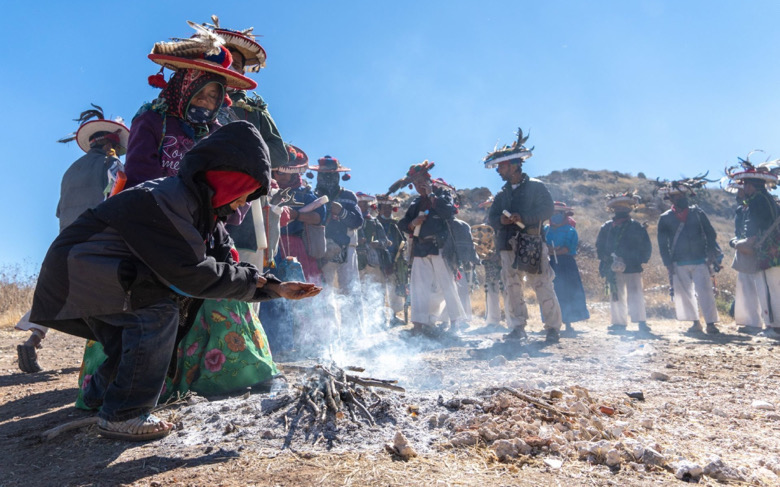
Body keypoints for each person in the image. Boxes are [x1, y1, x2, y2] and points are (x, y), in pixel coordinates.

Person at [28, 121, 320, 441]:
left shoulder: (204, 215)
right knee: (157, 314)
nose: (242, 204)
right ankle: (123, 414)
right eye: (243, 193)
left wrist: (274, 286)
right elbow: (193, 273)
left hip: (89, 272)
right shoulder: (170, 198)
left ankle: (101, 397)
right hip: (84, 270)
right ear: (226, 178)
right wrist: (267, 288)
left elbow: (224, 263)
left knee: (129, 340)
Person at [16, 106, 129, 374]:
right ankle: (108, 361)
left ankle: (33, 339)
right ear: (111, 145)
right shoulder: (111, 165)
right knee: (109, 299)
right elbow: (119, 195)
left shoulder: (70, 171)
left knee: (57, 294)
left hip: (65, 242)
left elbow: (59, 210)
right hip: (99, 240)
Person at [486, 129, 562, 343]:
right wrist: (502, 221)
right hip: (507, 246)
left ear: (514, 165)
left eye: (502, 166)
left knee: (542, 283)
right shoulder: (501, 194)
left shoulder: (537, 187)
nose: (499, 170)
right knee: (511, 286)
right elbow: (492, 217)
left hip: (533, 242)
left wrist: (525, 217)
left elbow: (547, 210)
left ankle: (553, 328)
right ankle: (518, 327)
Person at [395, 161, 466, 337]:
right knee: (418, 287)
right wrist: (412, 223)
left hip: (440, 246)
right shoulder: (416, 202)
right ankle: (418, 325)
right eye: (415, 183)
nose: (418, 187)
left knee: (447, 285)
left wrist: (432, 196)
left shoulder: (442, 194)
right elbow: (402, 223)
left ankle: (455, 323)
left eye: (421, 182)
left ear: (428, 179)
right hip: (420, 248)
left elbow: (448, 212)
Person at [656, 176, 723, 334]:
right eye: (676, 196)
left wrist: (710, 254)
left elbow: (710, 234)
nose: (679, 198)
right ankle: (695, 323)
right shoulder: (665, 218)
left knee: (705, 291)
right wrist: (668, 263)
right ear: (670, 198)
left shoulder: (698, 213)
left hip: (701, 260)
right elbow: (662, 244)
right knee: (685, 294)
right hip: (678, 262)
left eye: (681, 196)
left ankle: (711, 323)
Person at [308, 155, 364, 340]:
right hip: (322, 249)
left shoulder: (348, 196)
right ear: (317, 176)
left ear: (339, 176)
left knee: (349, 289)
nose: (327, 179)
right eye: (323, 175)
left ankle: (353, 334)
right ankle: (329, 334)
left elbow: (357, 221)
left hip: (347, 248)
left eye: (332, 174)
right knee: (325, 291)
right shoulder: (312, 195)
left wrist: (342, 212)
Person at [727, 158, 780, 336]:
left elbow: (752, 228)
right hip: (775, 249)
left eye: (746, 184)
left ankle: (772, 327)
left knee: (765, 288)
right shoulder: (769, 199)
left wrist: (743, 242)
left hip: (766, 251)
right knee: (775, 288)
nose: (744, 188)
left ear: (751, 186)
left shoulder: (756, 201)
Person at [595, 192, 652, 333]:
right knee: (616, 295)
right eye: (618, 208)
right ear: (614, 210)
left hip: (632, 266)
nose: (621, 210)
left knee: (636, 293)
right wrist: (605, 260)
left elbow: (646, 247)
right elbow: (599, 246)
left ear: (629, 209)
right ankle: (618, 323)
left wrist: (636, 260)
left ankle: (641, 322)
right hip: (611, 267)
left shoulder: (637, 227)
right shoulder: (606, 227)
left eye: (624, 208)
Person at [544, 201, 590, 334]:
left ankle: (569, 322)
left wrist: (554, 251)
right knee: (551, 291)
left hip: (566, 264)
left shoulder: (570, 231)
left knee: (567, 291)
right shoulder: (545, 230)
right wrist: (549, 250)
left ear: (563, 214)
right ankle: (551, 322)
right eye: (552, 213)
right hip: (549, 263)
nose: (554, 216)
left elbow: (568, 248)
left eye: (557, 213)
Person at [356, 192, 393, 328]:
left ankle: (380, 321)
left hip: (374, 261)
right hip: (357, 262)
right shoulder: (350, 221)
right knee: (360, 294)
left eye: (364, 204)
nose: (362, 206)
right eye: (360, 204)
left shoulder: (374, 221)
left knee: (378, 292)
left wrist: (377, 243)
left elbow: (386, 241)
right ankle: (362, 324)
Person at [376, 194, 407, 326]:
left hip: (394, 260)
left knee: (395, 288)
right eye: (384, 208)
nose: (387, 211)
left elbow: (402, 242)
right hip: (378, 261)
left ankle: (394, 316)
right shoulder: (374, 223)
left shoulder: (396, 225)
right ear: (379, 210)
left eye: (389, 208)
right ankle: (380, 318)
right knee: (379, 289)